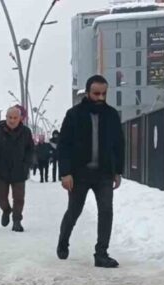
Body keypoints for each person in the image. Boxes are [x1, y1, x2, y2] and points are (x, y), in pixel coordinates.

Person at [57, 75, 124, 268]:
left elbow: (119, 144)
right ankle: (63, 240)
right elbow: (64, 146)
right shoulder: (74, 115)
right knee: (74, 211)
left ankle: (101, 253)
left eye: (104, 93)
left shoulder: (111, 115)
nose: (100, 97)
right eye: (96, 93)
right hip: (79, 174)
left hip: (104, 174)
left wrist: (117, 171)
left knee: (106, 211)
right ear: (87, 93)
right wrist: (65, 173)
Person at [0, 106, 34, 232]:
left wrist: (27, 165)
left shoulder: (26, 132)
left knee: (19, 198)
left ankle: (17, 220)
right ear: (6, 118)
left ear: (20, 119)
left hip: (19, 170)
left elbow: (30, 150)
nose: (12, 120)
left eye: (15, 118)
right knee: (0, 196)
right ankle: (6, 210)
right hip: (2, 171)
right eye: (10, 117)